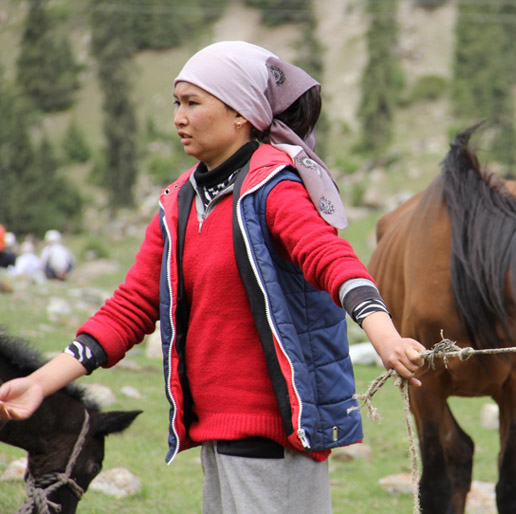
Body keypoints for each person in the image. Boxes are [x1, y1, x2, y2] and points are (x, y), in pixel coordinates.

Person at [0, 41, 425, 514]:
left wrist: (383, 333)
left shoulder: (274, 186)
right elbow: (132, 306)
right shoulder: (179, 200)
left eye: (193, 103)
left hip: (274, 435)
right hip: (218, 438)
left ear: (241, 113)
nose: (179, 117)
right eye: (176, 103)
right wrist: (41, 383)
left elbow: (329, 258)